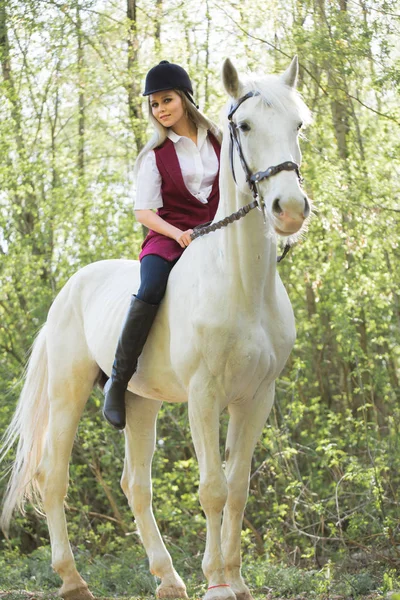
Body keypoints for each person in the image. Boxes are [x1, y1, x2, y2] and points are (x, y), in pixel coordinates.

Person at [103, 60, 222, 430]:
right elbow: (144, 212)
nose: (161, 110)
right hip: (169, 238)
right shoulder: (154, 155)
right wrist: (177, 234)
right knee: (151, 285)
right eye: (154, 105)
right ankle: (118, 381)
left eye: (166, 100)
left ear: (185, 99)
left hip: (218, 235)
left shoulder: (222, 140)